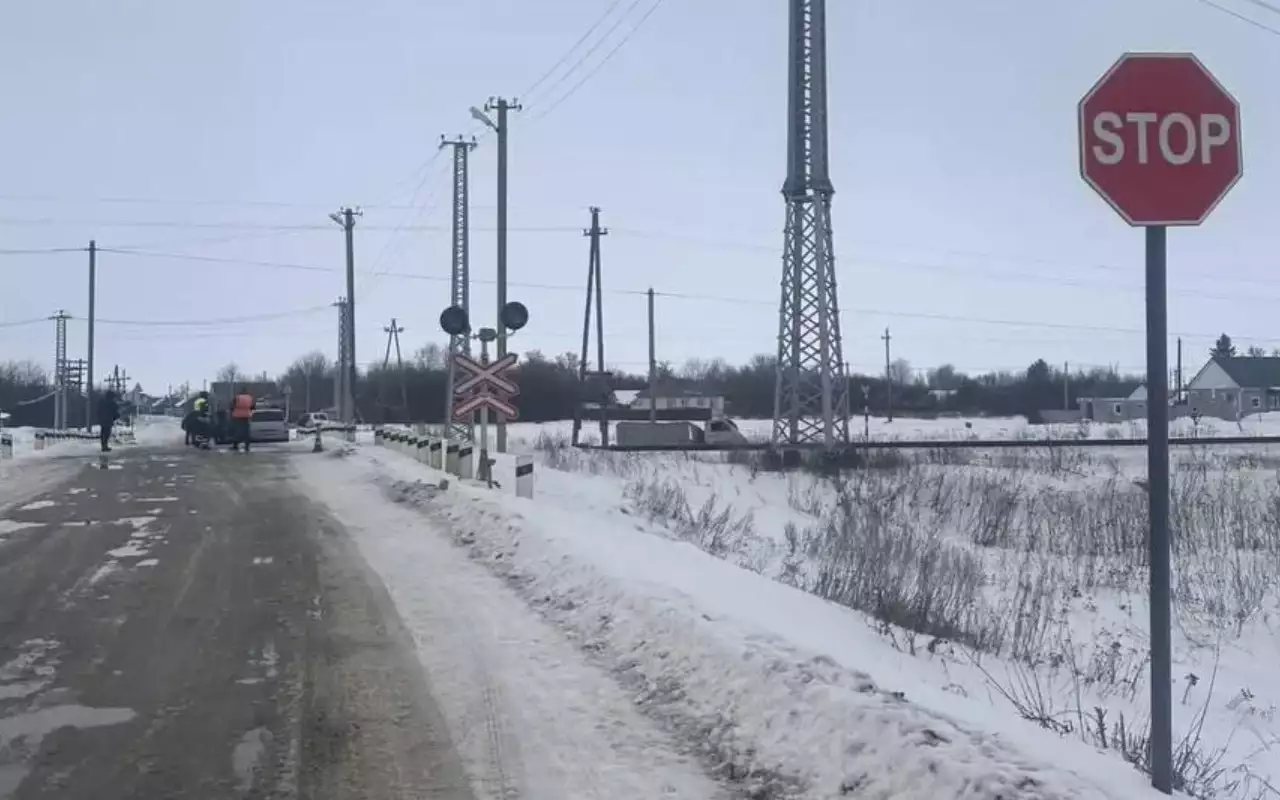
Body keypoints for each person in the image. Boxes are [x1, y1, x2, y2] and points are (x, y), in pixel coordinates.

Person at [229, 386, 255, 452]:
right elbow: (253, 407)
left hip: (237, 416)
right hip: (247, 416)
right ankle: (247, 446)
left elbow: (232, 406)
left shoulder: (237, 397)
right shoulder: (250, 397)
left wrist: (232, 412)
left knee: (237, 431)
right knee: (246, 431)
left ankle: (235, 445)